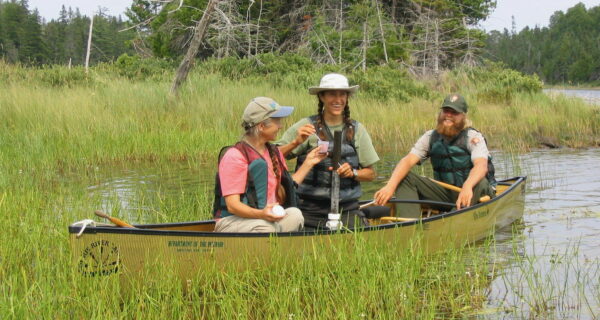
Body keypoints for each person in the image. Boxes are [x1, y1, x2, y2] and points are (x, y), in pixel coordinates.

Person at [278, 73, 380, 230]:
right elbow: (271, 157)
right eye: (332, 94)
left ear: (347, 97)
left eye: (342, 94)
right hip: (309, 210)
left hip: (347, 210)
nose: (338, 100)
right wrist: (295, 142)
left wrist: (353, 172)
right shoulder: (306, 126)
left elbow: (371, 174)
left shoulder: (357, 130)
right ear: (322, 97)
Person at [214, 97, 327, 233]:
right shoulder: (235, 156)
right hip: (233, 221)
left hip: (264, 220)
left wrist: (309, 161)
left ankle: (280, 251)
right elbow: (233, 206)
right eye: (277, 121)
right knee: (266, 227)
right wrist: (261, 214)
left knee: (295, 215)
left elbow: (290, 186)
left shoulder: (274, 153)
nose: (280, 126)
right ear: (262, 126)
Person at [373, 94, 497, 218]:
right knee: (405, 177)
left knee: (480, 181)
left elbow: (481, 166)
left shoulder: (473, 137)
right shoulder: (430, 137)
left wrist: (467, 186)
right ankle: (408, 224)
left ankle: (454, 218)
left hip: (474, 191)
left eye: (454, 112)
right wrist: (390, 186)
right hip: (447, 194)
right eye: (446, 111)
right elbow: (408, 161)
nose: (448, 115)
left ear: (463, 116)